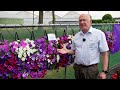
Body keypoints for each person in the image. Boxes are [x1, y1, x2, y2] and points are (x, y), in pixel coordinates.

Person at [57, 14, 109, 79]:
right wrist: (67, 51)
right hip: (77, 69)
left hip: (91, 70)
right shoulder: (76, 36)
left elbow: (104, 54)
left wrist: (104, 72)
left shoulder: (99, 34)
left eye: (84, 20)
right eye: (80, 20)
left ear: (90, 22)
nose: (82, 22)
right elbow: (74, 51)